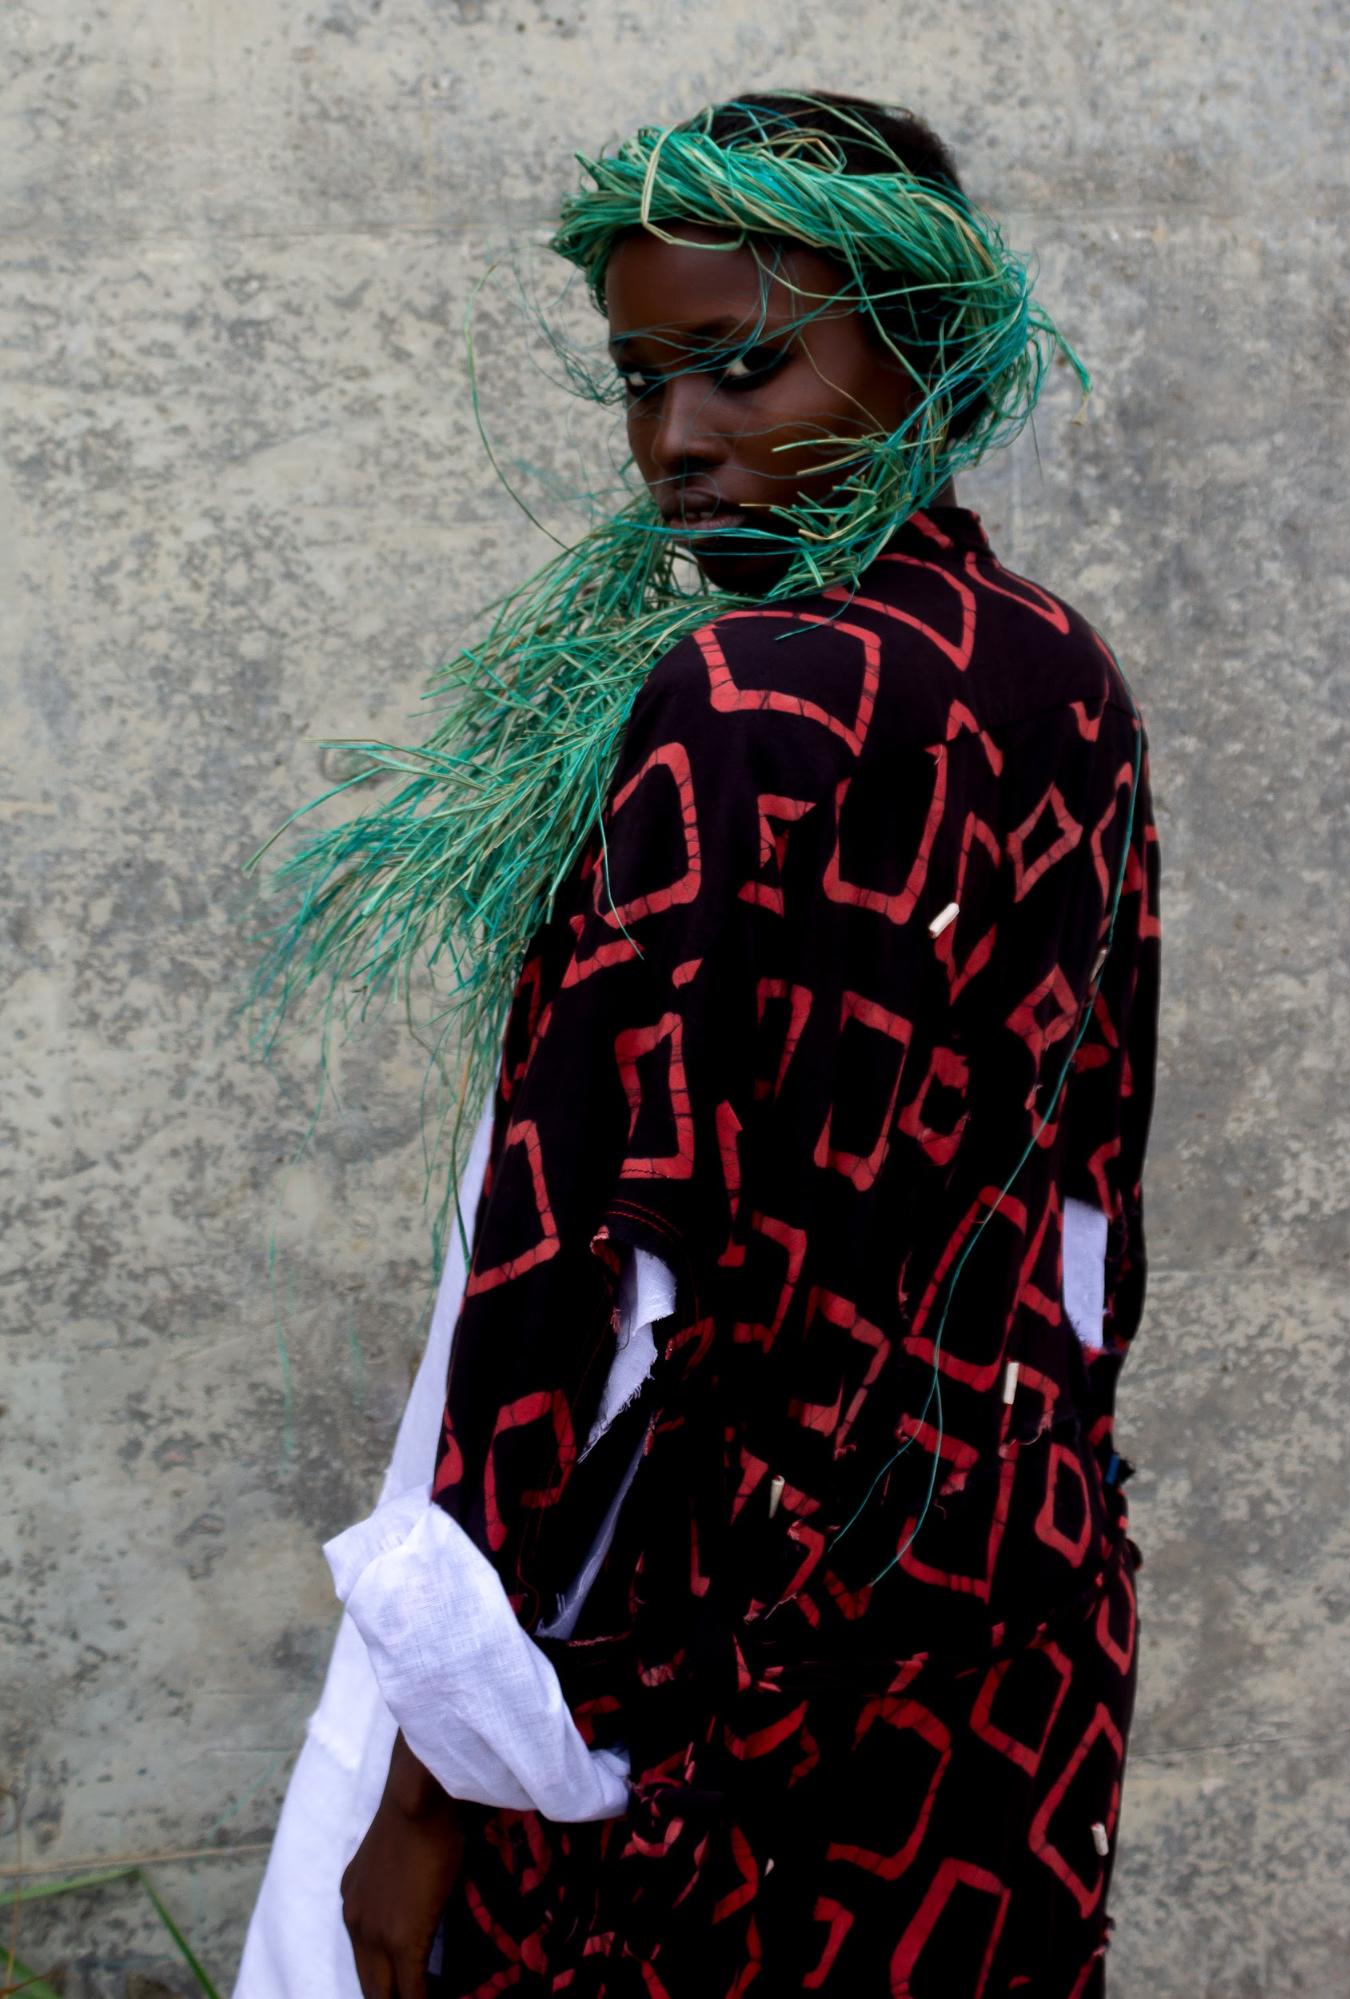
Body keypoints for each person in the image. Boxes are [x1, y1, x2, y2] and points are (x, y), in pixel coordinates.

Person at [236, 89, 1160, 1999]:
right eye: (641, 381)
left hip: (703, 1690)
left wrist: (427, 1796)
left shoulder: (733, 700)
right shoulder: (1061, 668)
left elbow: (580, 1287)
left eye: (746, 367)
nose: (679, 441)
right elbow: (1087, 1226)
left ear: (930, 349)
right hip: (1002, 1627)